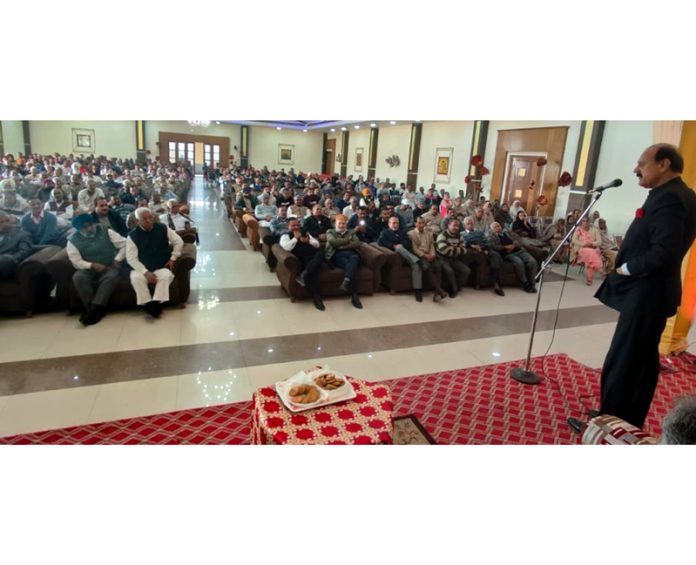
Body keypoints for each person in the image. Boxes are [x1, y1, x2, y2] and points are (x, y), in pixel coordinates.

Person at [569, 144, 696, 433]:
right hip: (652, 293)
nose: (635, 169)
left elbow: (664, 251)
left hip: (646, 294)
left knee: (624, 362)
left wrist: (624, 268)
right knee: (641, 362)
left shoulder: (672, 199)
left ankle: (608, 427)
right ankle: (625, 422)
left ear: (663, 164)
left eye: (642, 163)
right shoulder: (678, 195)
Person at [66, 214, 126, 325]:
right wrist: (91, 265)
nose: (89, 229)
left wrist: (117, 259)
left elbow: (125, 244)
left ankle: (93, 310)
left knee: (111, 277)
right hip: (88, 268)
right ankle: (95, 310)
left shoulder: (106, 231)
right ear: (78, 229)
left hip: (109, 266)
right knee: (78, 277)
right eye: (85, 227)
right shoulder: (72, 241)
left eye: (90, 225)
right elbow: (76, 261)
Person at [126, 207, 184, 318]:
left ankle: (156, 302)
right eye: (145, 219)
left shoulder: (162, 228)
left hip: (161, 266)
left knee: (166, 276)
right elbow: (131, 258)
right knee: (136, 278)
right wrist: (145, 272)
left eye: (150, 217)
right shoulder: (132, 236)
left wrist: (173, 258)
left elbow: (178, 241)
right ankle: (147, 303)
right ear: (138, 221)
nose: (149, 221)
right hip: (142, 268)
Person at [280, 217, 325, 311]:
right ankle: (317, 298)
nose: (296, 227)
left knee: (321, 253)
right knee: (314, 272)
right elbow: (286, 248)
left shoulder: (306, 233)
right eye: (293, 225)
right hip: (302, 258)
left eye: (298, 225)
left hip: (313, 256)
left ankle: (304, 273)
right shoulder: (285, 236)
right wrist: (296, 238)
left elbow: (317, 244)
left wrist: (308, 241)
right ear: (288, 226)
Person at [378, 215, 426, 302]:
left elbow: (408, 242)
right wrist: (393, 245)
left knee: (416, 267)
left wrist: (400, 244)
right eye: (393, 223)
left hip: (407, 256)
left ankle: (417, 290)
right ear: (389, 224)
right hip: (396, 257)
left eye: (397, 223)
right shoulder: (384, 233)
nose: (395, 225)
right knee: (399, 248)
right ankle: (417, 260)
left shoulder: (403, 232)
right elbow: (381, 243)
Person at [325, 214, 364, 309]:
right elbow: (333, 242)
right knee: (352, 265)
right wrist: (348, 240)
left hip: (349, 253)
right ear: (335, 224)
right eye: (340, 223)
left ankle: (346, 280)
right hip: (336, 255)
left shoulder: (350, 232)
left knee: (354, 258)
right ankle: (355, 296)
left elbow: (357, 243)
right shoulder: (330, 231)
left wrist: (343, 246)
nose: (342, 226)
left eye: (343, 224)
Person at [488, 221, 538, 293]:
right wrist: (505, 247)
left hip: (519, 250)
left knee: (532, 261)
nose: (498, 228)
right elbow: (493, 246)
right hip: (508, 254)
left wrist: (513, 245)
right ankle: (525, 283)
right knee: (519, 262)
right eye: (495, 227)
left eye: (498, 225)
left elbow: (518, 239)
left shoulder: (508, 232)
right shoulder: (492, 236)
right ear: (492, 230)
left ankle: (532, 283)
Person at [0, 211, 34, 281]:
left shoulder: (22, 234)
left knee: (5, 259)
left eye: (7, 221)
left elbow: (24, 252)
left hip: (8, 264)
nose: (5, 224)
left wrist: (11, 258)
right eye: (1, 222)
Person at [570, 216, 603, 284]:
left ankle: (590, 279)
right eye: (583, 221)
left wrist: (591, 244)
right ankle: (599, 269)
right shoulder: (578, 229)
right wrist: (584, 244)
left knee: (591, 255)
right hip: (581, 248)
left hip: (593, 248)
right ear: (581, 222)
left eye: (587, 221)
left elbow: (599, 241)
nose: (585, 222)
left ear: (589, 222)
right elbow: (574, 240)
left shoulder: (594, 230)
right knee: (591, 253)